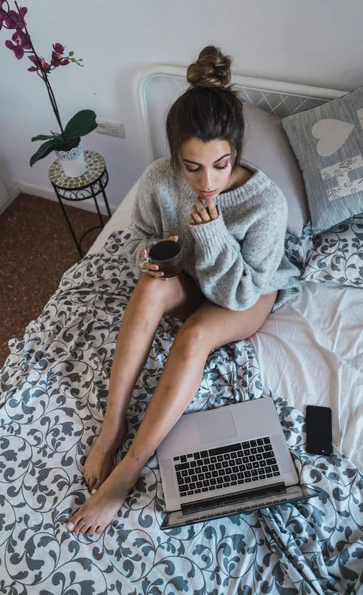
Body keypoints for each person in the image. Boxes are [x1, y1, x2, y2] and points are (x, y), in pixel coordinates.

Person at [67, 45, 301, 536]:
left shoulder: (266, 204)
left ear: (236, 151)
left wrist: (213, 231)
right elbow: (140, 237)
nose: (207, 181)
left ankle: (127, 471)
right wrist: (151, 259)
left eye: (221, 164)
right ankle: (112, 427)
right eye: (192, 167)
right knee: (149, 293)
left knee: (193, 337)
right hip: (193, 278)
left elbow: (237, 293)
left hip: (246, 292)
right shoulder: (158, 179)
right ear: (175, 155)